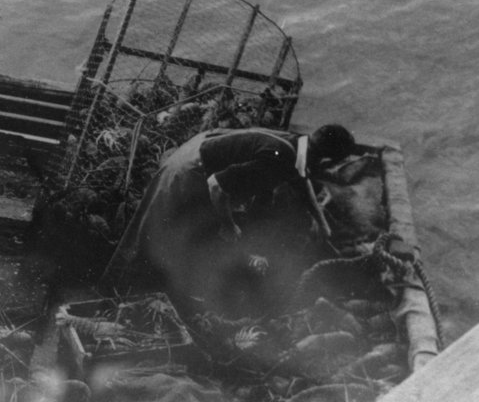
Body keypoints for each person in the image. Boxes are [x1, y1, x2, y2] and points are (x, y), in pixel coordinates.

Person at [102, 124, 356, 310]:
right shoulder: (280, 157)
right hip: (192, 169)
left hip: (208, 150)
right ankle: (117, 294)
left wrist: (322, 223)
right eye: (332, 164)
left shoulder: (299, 145)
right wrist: (229, 225)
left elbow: (301, 179)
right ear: (324, 158)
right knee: (155, 232)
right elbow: (216, 186)